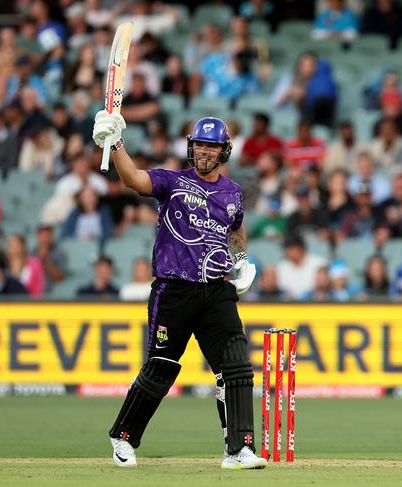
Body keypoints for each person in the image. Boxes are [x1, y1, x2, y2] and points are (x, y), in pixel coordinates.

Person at [93, 110, 264, 469]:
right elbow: (134, 180)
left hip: (217, 290)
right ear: (191, 148)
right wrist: (116, 143)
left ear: (224, 152)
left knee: (236, 369)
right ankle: (122, 437)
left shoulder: (232, 191)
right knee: (161, 369)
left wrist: (243, 259)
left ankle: (238, 450)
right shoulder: (172, 181)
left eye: (211, 147)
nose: (203, 152)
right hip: (174, 289)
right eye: (199, 145)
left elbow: (237, 227)